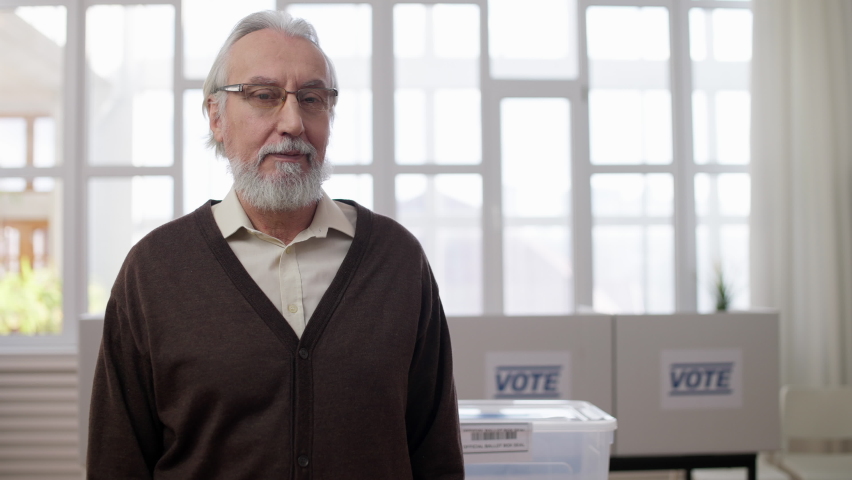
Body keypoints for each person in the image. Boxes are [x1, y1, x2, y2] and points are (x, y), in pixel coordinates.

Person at [86, 10, 464, 480]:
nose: (292, 122)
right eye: (263, 96)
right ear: (216, 117)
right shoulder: (155, 271)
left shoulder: (398, 261)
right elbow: (116, 462)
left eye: (312, 98)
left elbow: (437, 455)